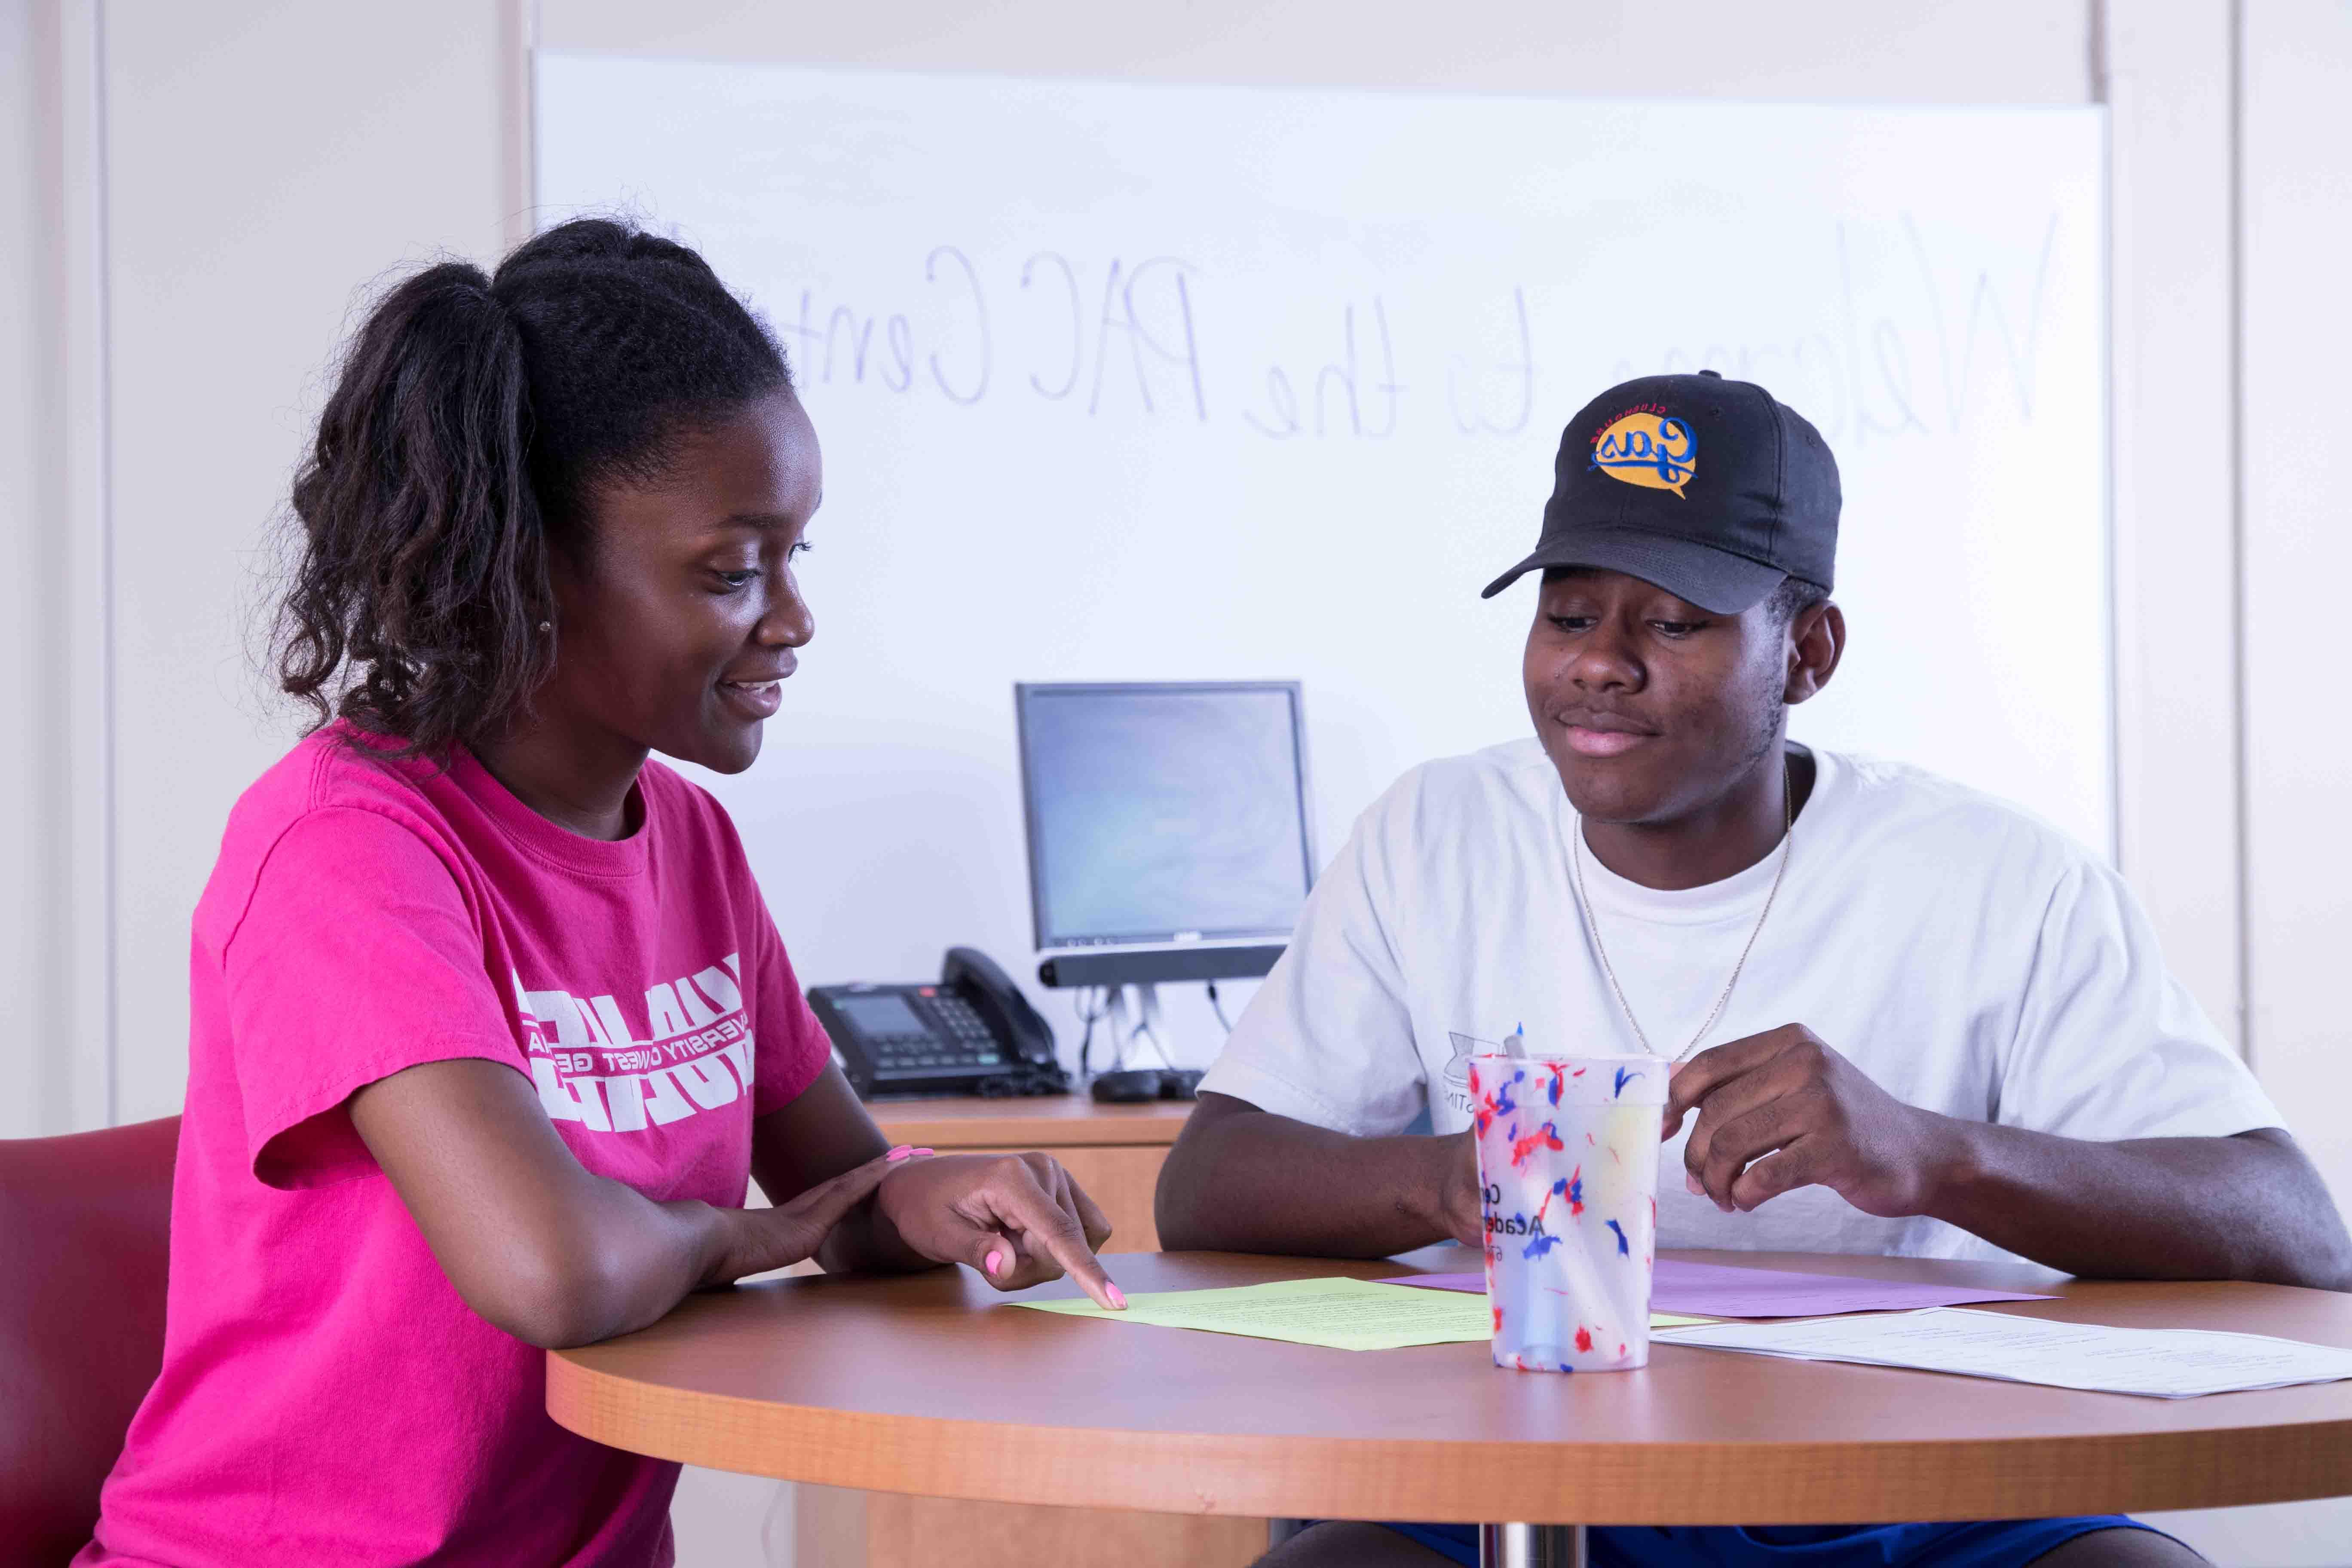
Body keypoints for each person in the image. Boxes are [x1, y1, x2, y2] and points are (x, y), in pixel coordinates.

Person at [1156, 371, 2352, 1568]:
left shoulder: (2000, 876)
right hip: (1512, 1480)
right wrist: (1463, 1179)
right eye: (1569, 617)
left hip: (1929, 1492)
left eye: (1673, 623)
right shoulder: (1435, 834)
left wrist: (1932, 1156)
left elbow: (2297, 1232)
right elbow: (1207, 1184)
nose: (1602, 666)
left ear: (1808, 653)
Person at [78, 219, 1124, 1568]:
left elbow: (840, 1187)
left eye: (798, 555)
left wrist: (929, 1193)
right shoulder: (346, 847)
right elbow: (553, 1270)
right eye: (735, 568)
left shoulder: (685, 839)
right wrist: (741, 1235)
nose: (794, 616)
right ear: (526, 569)